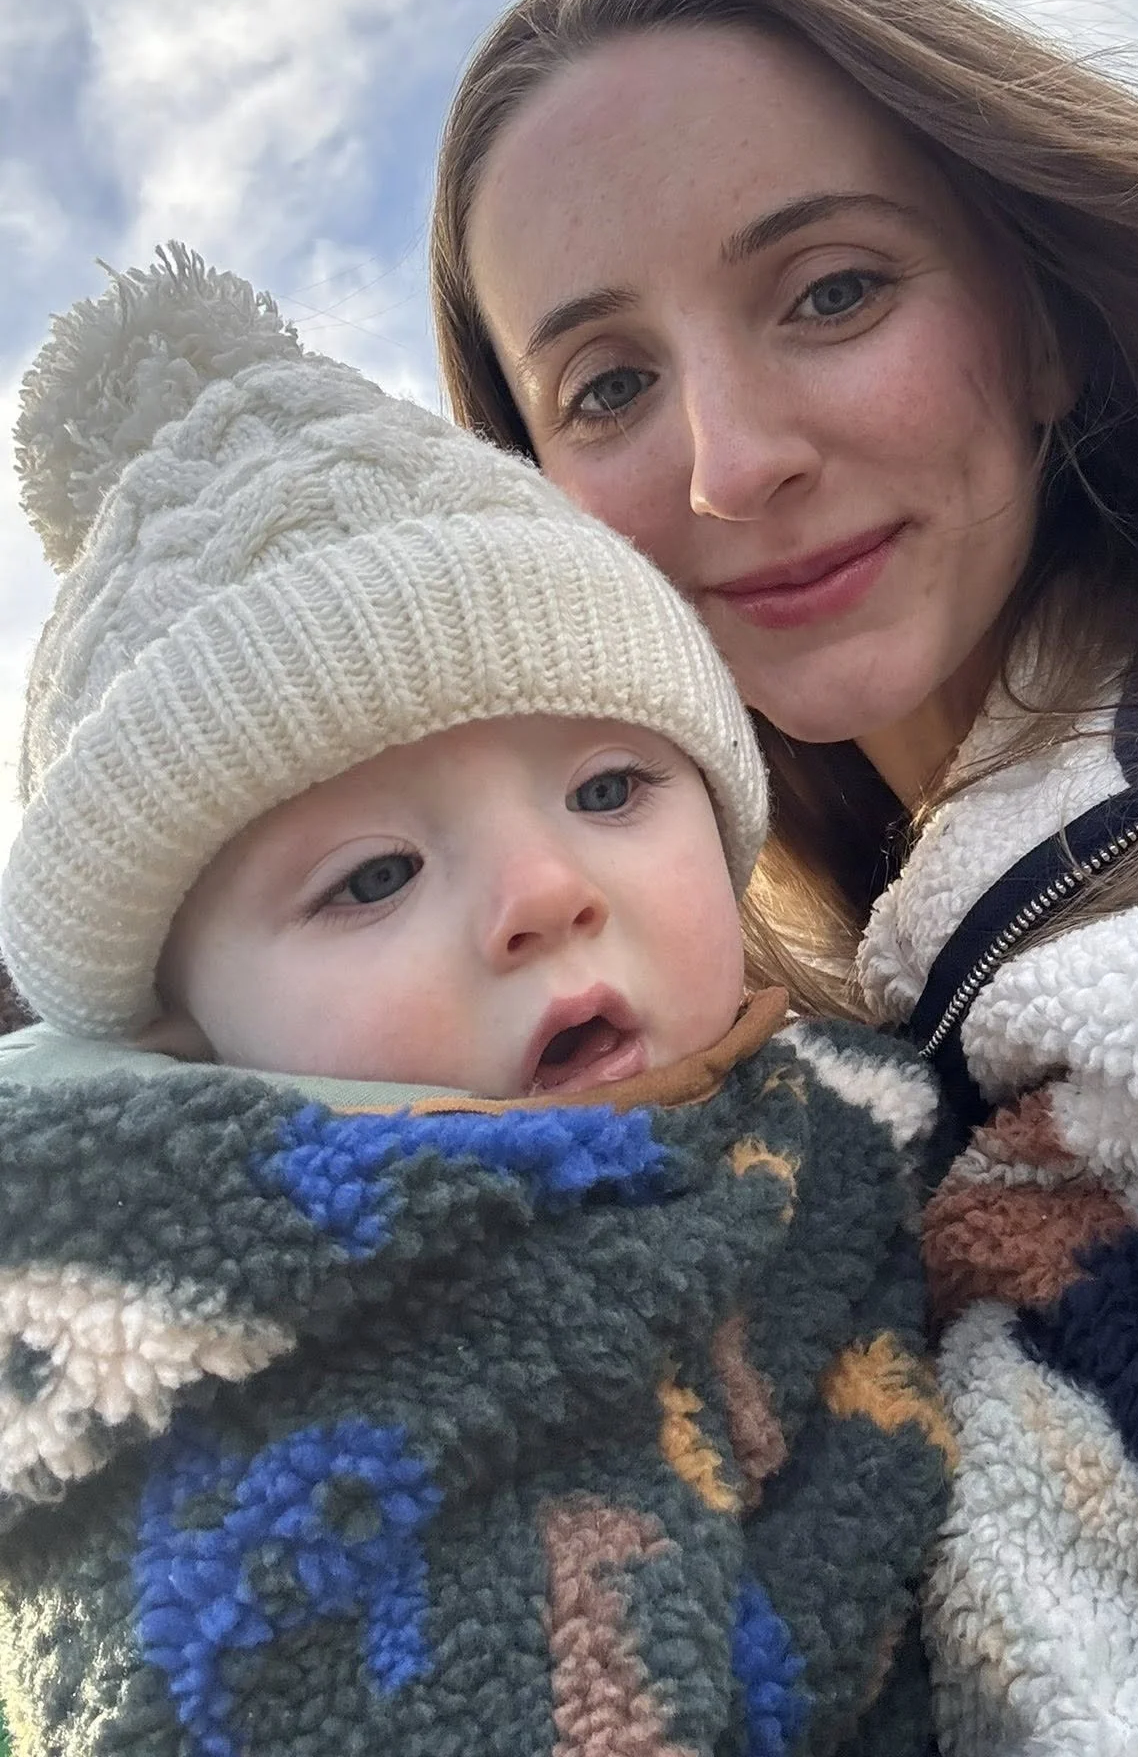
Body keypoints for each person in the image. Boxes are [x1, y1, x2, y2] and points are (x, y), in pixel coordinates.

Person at [426, 0, 1138, 1751]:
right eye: (607, 387)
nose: (730, 462)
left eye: (832, 291)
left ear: (1041, 332)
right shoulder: (801, 1019)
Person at [0, 248, 952, 1757]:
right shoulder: (148, 1327)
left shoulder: (859, 1113)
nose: (544, 893)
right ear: (177, 1034)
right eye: (374, 877)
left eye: (609, 789)